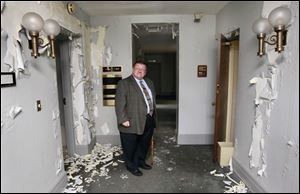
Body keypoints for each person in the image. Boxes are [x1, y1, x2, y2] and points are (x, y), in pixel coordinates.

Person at [115, 61, 156, 176]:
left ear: (145, 72)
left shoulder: (149, 82)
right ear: (133, 69)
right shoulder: (124, 83)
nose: (140, 70)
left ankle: (140, 161)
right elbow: (119, 103)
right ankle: (131, 166)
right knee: (130, 145)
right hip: (131, 120)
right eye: (138, 68)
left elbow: (152, 100)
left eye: (143, 69)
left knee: (144, 143)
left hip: (149, 118)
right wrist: (123, 119)